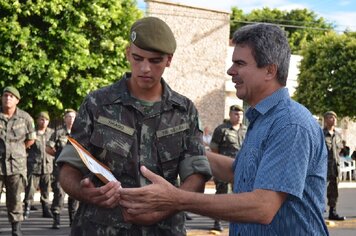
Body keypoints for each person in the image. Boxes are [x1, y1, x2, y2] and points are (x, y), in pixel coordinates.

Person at [118, 23, 329, 235]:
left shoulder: (290, 124)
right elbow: (239, 173)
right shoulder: (264, 120)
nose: (231, 71)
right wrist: (185, 147)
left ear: (269, 70)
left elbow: (263, 207)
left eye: (240, 63)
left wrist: (176, 198)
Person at [56, 16, 212, 236]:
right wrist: (85, 193)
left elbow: (196, 175)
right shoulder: (97, 104)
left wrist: (166, 205)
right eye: (138, 58)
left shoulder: (184, 111)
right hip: (100, 229)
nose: (145, 68)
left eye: (155, 61)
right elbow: (68, 168)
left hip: (164, 230)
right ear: (128, 53)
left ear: (169, 60)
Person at [0, 86, 36, 236]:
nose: (8, 98)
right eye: (5, 95)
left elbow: (31, 139)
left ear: (17, 100)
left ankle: (16, 229)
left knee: (15, 198)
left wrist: (17, 150)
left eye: (11, 96)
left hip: (16, 165)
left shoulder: (25, 118)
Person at [209, 104, 246, 231]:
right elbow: (214, 149)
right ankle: (217, 221)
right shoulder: (222, 130)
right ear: (230, 115)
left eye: (241, 114)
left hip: (240, 169)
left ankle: (237, 221)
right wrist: (218, 166)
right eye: (236, 114)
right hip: (224, 168)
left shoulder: (246, 130)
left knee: (240, 195)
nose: (239, 117)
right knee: (221, 195)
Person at [46, 108, 78, 229]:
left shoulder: (79, 132)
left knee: (74, 194)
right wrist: (60, 156)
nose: (71, 119)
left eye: (73, 117)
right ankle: (56, 218)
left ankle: (73, 220)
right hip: (60, 168)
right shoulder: (58, 133)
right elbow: (48, 148)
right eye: (68, 117)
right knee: (59, 192)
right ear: (64, 119)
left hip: (75, 168)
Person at [23, 111, 54, 219]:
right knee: (30, 188)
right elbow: (25, 147)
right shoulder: (33, 133)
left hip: (47, 166)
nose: (43, 121)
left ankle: (46, 209)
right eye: (41, 119)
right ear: (37, 120)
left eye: (46, 120)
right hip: (34, 165)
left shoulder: (51, 133)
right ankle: (27, 208)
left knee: (46, 190)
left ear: (48, 121)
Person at [323, 111, 346, 221]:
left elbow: (340, 149)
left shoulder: (338, 135)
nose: (335, 119)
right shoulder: (320, 134)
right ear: (326, 120)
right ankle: (318, 212)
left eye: (335, 117)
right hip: (323, 168)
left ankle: (333, 212)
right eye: (332, 117)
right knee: (321, 190)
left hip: (335, 168)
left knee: (334, 191)